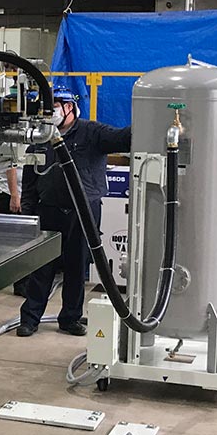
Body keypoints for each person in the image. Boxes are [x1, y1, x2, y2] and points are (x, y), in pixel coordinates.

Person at [17, 87, 131, 337]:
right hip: (49, 210)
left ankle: (70, 318)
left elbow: (124, 139)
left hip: (83, 213)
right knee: (42, 267)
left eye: (55, 106)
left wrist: (147, 119)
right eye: (47, 107)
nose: (50, 112)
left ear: (69, 107)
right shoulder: (41, 137)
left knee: (77, 266)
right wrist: (28, 213)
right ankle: (30, 319)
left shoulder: (93, 132)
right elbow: (29, 179)